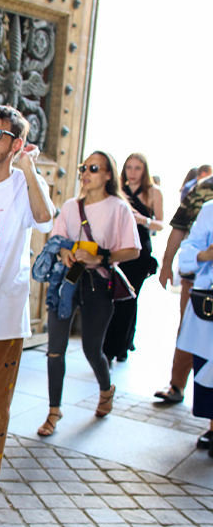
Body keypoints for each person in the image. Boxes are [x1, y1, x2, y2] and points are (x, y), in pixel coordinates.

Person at [0, 104, 54, 519]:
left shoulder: (23, 184)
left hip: (2, 316)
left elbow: (44, 219)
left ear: (16, 144)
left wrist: (30, 167)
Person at [37, 151, 140, 437]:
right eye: (84, 167)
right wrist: (65, 251)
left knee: (92, 348)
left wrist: (101, 257)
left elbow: (133, 250)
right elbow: (57, 240)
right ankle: (53, 411)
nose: (86, 172)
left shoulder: (119, 208)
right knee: (55, 349)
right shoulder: (71, 206)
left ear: (108, 175)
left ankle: (106, 389)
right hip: (66, 282)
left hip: (98, 283)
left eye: (93, 168)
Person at [154, 170, 213, 404]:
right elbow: (179, 228)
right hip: (200, 278)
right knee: (189, 331)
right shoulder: (202, 188)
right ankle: (177, 385)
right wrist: (167, 264)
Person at [102, 153, 163, 364]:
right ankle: (112, 346)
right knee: (115, 297)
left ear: (144, 170)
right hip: (120, 246)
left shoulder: (153, 192)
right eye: (129, 167)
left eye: (137, 168)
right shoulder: (120, 191)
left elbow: (161, 224)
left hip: (140, 250)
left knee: (130, 297)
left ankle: (122, 345)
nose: (133, 172)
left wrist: (142, 219)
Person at [175, 201, 213, 454]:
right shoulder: (210, 208)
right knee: (209, 364)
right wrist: (204, 256)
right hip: (210, 300)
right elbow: (189, 249)